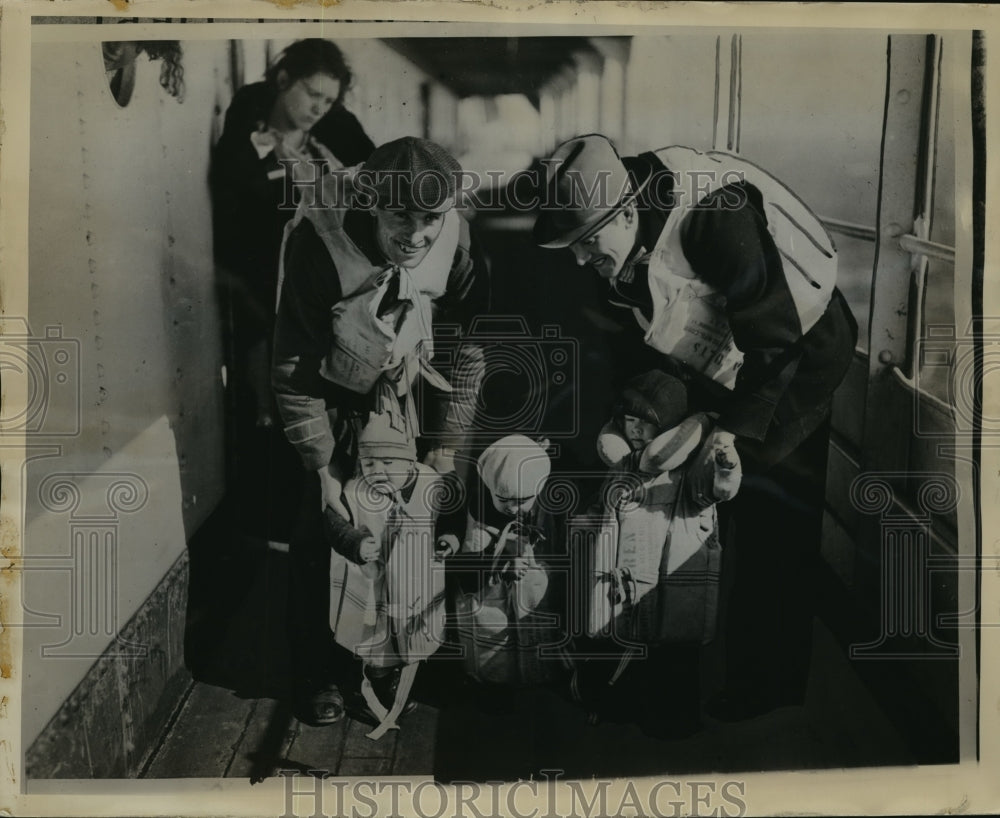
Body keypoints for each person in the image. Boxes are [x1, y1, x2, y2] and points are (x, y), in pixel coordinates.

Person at [533, 134, 858, 720]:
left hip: (796, 354)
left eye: (586, 243)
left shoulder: (716, 216)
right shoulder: (616, 221)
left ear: (625, 210)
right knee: (668, 493)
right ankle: (665, 681)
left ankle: (766, 686)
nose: (581, 259)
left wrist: (731, 435)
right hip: (715, 349)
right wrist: (638, 420)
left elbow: (774, 341)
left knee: (769, 515)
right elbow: (645, 335)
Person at [273, 136, 489, 725]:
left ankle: (393, 655)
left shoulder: (458, 240)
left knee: (420, 522)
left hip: (415, 383)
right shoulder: (319, 243)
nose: (415, 234)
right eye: (400, 216)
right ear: (372, 203)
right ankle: (319, 670)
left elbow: (470, 349)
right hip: (335, 384)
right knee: (324, 528)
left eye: (429, 219)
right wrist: (323, 470)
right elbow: (294, 368)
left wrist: (446, 449)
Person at [211, 38, 374, 543]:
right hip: (275, 306)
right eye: (311, 95)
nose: (318, 110)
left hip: (337, 301)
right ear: (283, 81)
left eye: (329, 102)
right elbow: (238, 247)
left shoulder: (330, 131)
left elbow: (376, 168)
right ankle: (284, 543)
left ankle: (343, 526)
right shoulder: (244, 147)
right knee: (287, 418)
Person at [582, 369, 737, 738]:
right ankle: (620, 706)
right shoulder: (623, 464)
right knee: (626, 643)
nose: (635, 430)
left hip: (671, 581)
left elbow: (712, 491)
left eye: (645, 424)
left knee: (671, 658)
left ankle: (673, 721)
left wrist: (725, 471)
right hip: (628, 575)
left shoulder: (687, 470)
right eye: (629, 420)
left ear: (668, 427)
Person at [322, 412, 459, 737]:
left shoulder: (431, 485)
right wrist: (354, 542)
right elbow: (333, 520)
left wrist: (450, 538)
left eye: (388, 463)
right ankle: (366, 684)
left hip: (413, 581)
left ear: (410, 461)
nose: (378, 472)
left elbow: (452, 514)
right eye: (370, 464)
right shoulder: (356, 491)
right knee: (372, 639)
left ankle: (392, 676)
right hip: (373, 585)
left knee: (410, 633)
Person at [452, 435, 568, 696]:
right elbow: (466, 572)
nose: (514, 508)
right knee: (492, 652)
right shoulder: (478, 516)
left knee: (533, 639)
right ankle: (488, 686)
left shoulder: (542, 508)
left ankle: (536, 678)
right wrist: (502, 566)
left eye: (523, 500)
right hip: (489, 604)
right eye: (505, 500)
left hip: (529, 597)